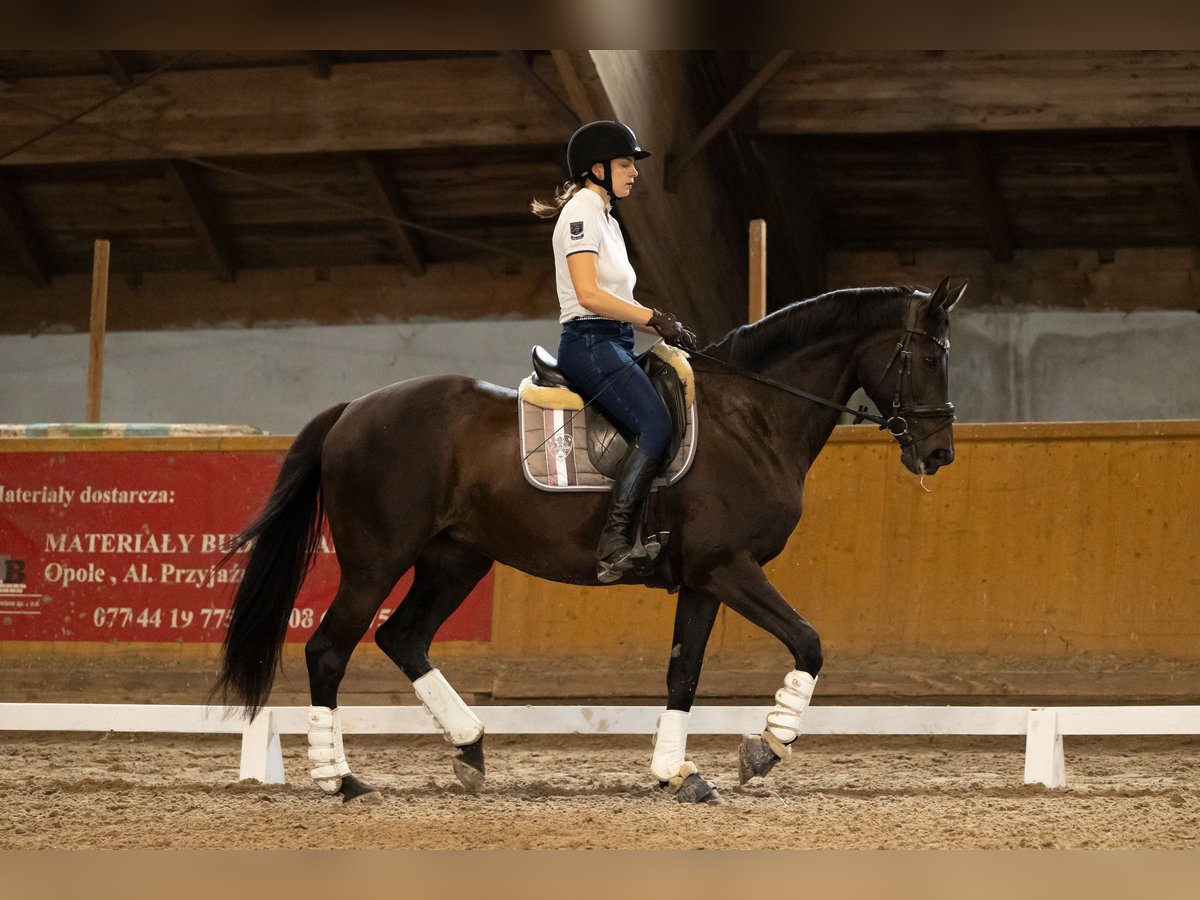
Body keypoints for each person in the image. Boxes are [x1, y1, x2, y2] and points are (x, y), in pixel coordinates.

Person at [531, 120, 699, 583]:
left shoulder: (606, 218)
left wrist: (663, 324)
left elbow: (616, 295)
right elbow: (588, 294)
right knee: (655, 423)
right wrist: (652, 318)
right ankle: (614, 546)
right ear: (597, 169)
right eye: (626, 164)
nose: (634, 172)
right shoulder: (582, 213)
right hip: (590, 342)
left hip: (615, 340)